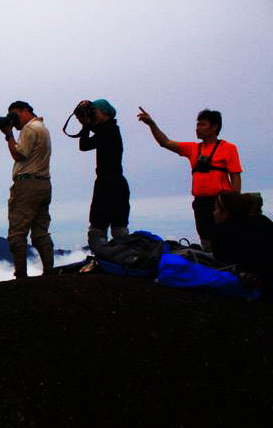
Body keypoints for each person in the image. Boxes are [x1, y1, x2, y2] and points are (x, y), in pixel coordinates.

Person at [137, 107, 242, 252]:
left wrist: (234, 204)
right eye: (197, 124)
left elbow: (235, 176)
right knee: (206, 239)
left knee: (225, 237)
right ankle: (211, 266)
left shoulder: (228, 148)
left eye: (202, 124)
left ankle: (229, 268)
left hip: (220, 201)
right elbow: (165, 142)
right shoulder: (193, 149)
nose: (197, 128)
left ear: (214, 127)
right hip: (200, 202)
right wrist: (152, 124)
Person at [0, 100, 54, 279]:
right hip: (44, 184)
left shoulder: (30, 129)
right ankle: (49, 272)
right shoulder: (42, 128)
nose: (14, 120)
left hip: (27, 185)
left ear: (26, 111)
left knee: (17, 231)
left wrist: (8, 135)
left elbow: (19, 153)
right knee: (40, 231)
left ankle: (21, 275)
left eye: (15, 115)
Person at [76, 99, 131, 251]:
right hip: (116, 183)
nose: (92, 114)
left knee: (99, 225)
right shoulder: (111, 129)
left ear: (105, 113)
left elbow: (84, 145)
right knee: (119, 225)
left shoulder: (109, 130)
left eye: (94, 111)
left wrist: (86, 124)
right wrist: (86, 123)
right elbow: (87, 143)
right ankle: (121, 259)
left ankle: (106, 257)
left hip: (108, 183)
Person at [212, 191, 273, 295]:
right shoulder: (264, 222)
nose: (214, 212)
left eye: (216, 209)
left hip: (257, 286)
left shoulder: (221, 230)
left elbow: (219, 259)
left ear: (226, 213)